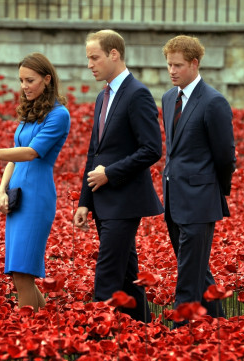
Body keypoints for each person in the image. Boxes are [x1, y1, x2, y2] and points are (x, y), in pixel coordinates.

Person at [0, 52, 70, 311]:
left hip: (37, 197)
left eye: (29, 80)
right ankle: (46, 329)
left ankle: (28, 335)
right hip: (18, 195)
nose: (24, 86)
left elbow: (31, 152)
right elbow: (15, 154)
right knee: (18, 273)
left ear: (47, 79)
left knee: (23, 272)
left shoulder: (59, 114)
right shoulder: (31, 112)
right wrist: (1, 190)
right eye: (21, 80)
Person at [72, 30, 164, 323]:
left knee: (108, 273)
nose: (89, 64)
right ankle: (144, 330)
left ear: (114, 54)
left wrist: (110, 174)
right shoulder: (103, 96)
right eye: (88, 58)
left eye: (94, 57)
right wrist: (84, 202)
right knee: (126, 274)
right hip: (103, 201)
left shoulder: (137, 94)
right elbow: (94, 153)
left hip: (126, 201)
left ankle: (95, 337)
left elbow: (152, 149)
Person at [160, 35, 236, 327]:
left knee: (189, 275)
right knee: (197, 269)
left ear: (195, 63)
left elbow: (225, 156)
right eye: (169, 64)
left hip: (200, 200)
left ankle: (180, 331)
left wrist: (216, 190)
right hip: (174, 199)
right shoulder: (169, 98)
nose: (172, 71)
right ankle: (220, 326)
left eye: (178, 65)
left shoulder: (213, 102)